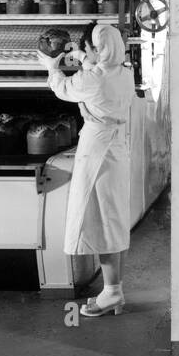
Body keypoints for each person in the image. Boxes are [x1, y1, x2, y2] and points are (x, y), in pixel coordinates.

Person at [37, 22, 135, 317]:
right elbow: (96, 67)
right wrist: (81, 55)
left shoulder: (91, 79)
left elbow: (62, 88)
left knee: (101, 222)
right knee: (114, 220)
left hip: (96, 152)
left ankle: (112, 293)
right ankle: (113, 289)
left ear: (98, 50)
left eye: (90, 47)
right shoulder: (125, 72)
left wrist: (52, 66)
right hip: (116, 148)